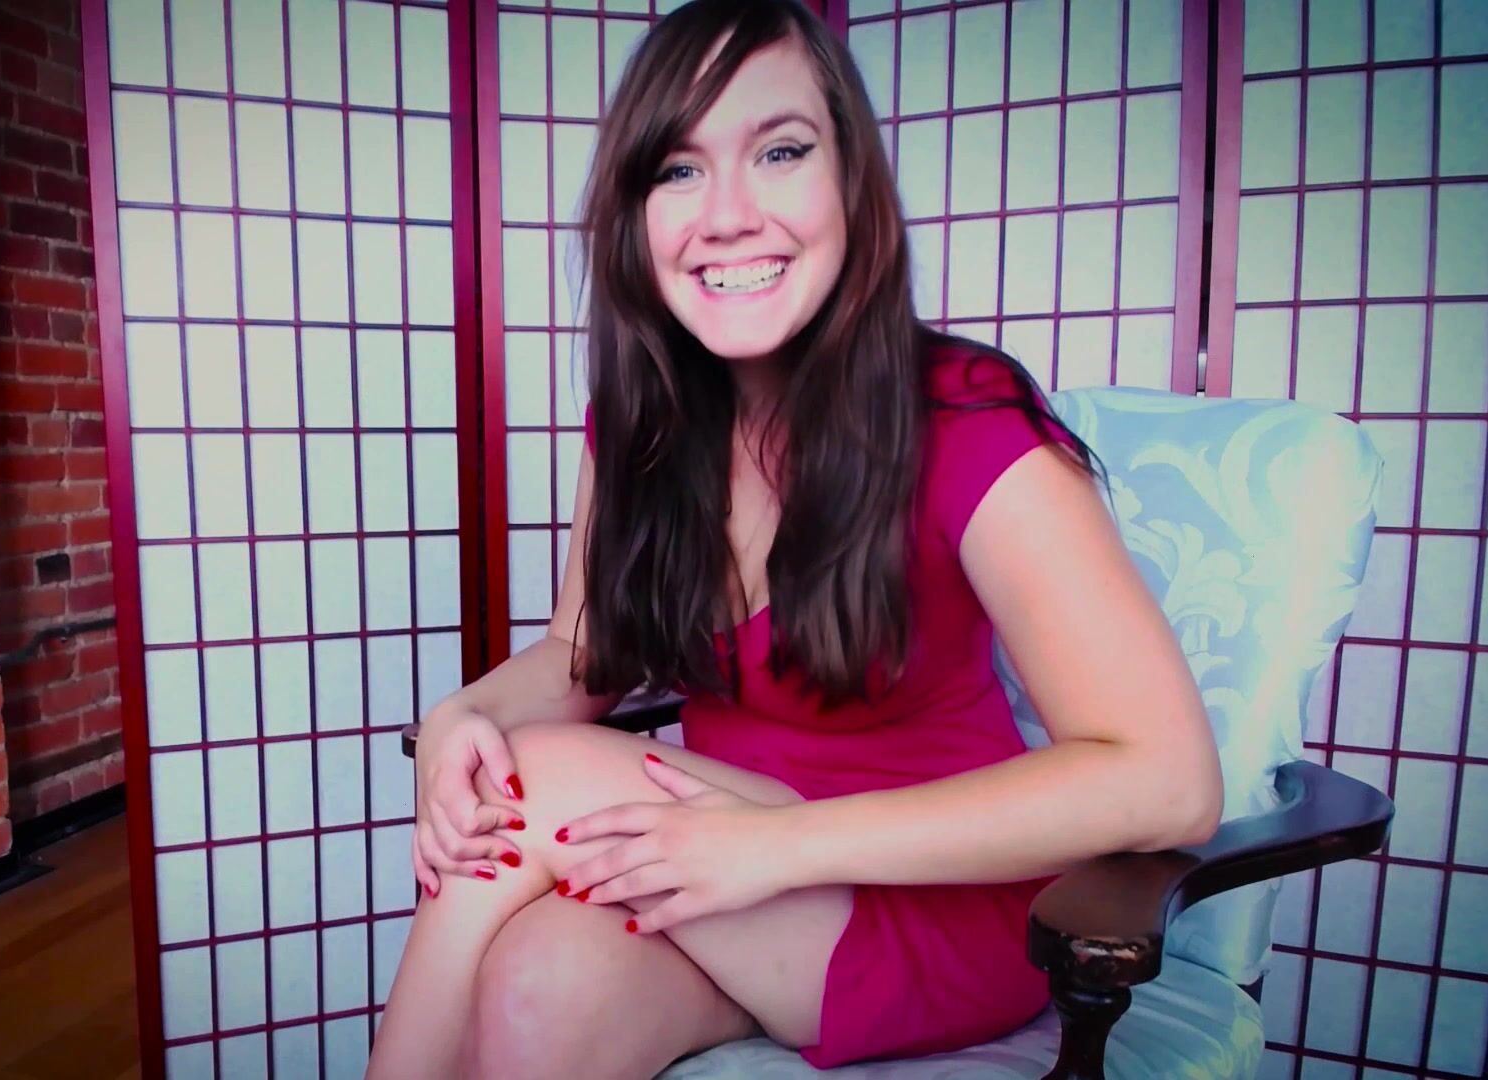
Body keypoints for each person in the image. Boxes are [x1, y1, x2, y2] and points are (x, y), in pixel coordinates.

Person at [366, 0, 1221, 1076]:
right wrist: (466, 715)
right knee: (538, 988)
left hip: (924, 891)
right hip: (721, 867)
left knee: (535, 777)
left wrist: (781, 847)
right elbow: (581, 656)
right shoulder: (639, 426)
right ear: (633, 216)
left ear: (852, 183)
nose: (726, 215)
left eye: (779, 151)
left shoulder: (966, 415)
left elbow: (1168, 781)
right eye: (678, 169)